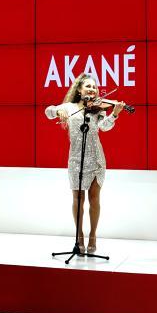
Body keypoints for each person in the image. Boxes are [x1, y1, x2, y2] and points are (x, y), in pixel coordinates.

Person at [44, 74, 127, 254]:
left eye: (94, 87)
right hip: (76, 159)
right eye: (88, 86)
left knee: (94, 198)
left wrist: (114, 114)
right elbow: (48, 111)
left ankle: (93, 236)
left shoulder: (98, 109)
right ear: (80, 90)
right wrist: (57, 111)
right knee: (78, 198)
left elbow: (104, 127)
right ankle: (79, 236)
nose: (92, 89)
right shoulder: (69, 107)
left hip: (96, 159)